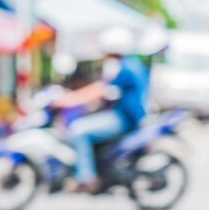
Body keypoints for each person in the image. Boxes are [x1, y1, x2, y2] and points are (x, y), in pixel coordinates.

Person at [52, 27, 149, 192]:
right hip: (123, 114)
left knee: (78, 130)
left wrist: (68, 100)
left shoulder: (122, 68)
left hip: (124, 118)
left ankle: (86, 177)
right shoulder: (132, 64)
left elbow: (100, 89)